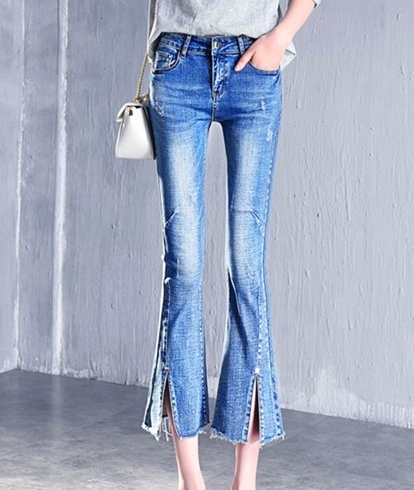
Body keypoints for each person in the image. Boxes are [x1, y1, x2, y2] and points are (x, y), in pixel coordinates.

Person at [140, 0, 321, 489]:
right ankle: (190, 479)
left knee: (246, 269)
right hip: (178, 64)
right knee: (184, 268)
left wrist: (280, 37)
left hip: (253, 67)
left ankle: (246, 481)